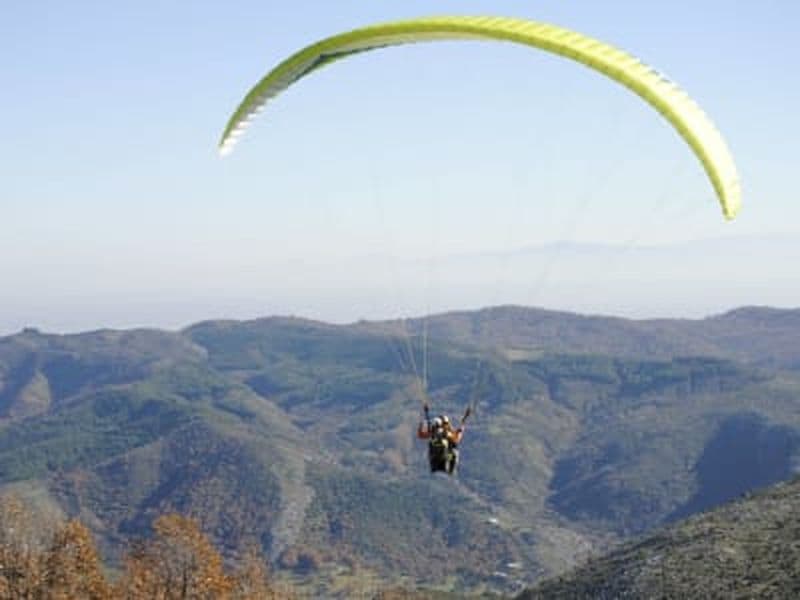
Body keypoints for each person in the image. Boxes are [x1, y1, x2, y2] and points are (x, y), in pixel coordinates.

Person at [417, 408, 465, 475]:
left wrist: (421, 425)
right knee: (454, 453)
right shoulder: (446, 433)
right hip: (444, 457)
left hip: (433, 459)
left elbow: (420, 435)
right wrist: (461, 431)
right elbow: (456, 440)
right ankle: (451, 470)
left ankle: (445, 469)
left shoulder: (432, 433)